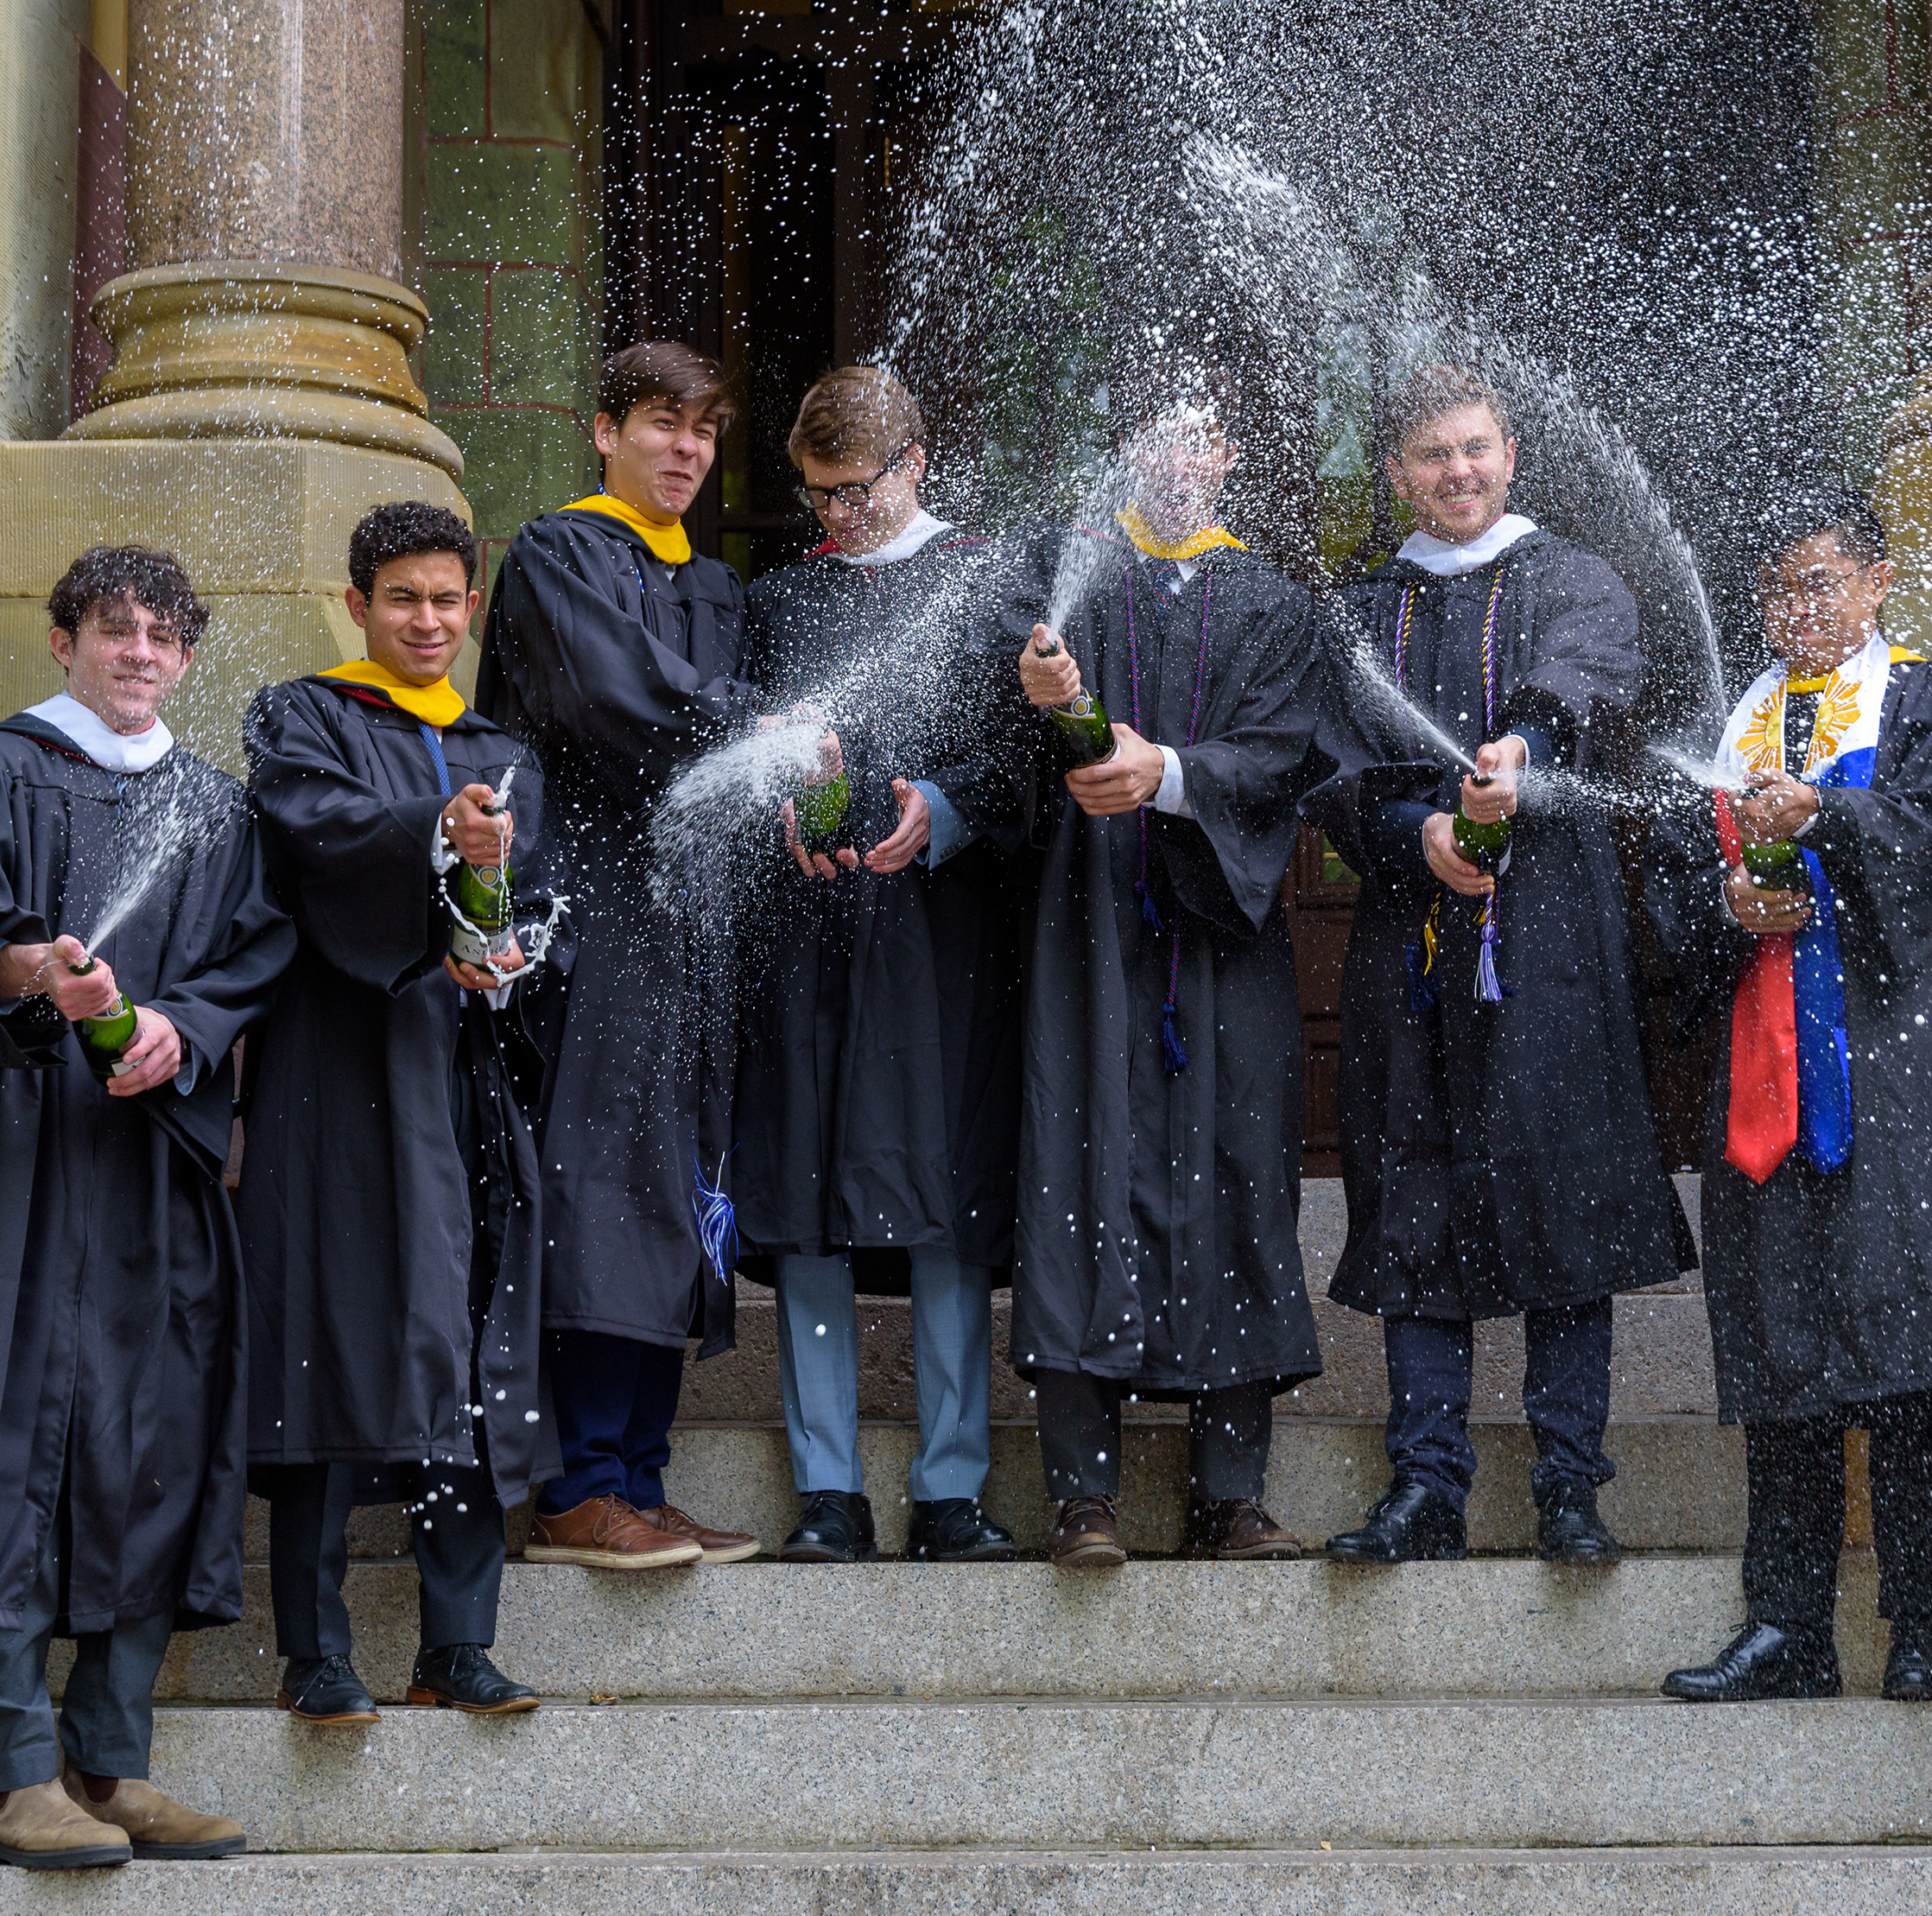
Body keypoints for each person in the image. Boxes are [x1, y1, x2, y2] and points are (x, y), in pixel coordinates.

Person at [0, 545, 293, 1868]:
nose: (139, 654)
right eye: (114, 630)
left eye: (165, 636)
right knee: (17, 1444)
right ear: (62, 640)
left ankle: (108, 1763)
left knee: (157, 1443)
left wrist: (183, 1023)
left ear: (188, 656)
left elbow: (252, 957)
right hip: (36, 1158)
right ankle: (12, 1777)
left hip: (162, 1168)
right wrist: (29, 965)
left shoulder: (215, 808)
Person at [1303, 365, 1694, 1567]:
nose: (1457, 473)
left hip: (1554, 943)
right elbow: (1330, 769)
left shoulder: (1574, 579)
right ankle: (1427, 1482)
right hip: (1412, 948)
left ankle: (1570, 1484)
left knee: (1564, 1195)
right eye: (1431, 456)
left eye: (1474, 449)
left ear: (1511, 452)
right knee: (1416, 1197)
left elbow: (1584, 676)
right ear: (1397, 474)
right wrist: (1412, 833)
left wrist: (1521, 746)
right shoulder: (1365, 609)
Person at [1640, 485, 1932, 1703]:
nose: (1798, 608)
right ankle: (1788, 1625)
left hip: (1892, 1073)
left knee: (1911, 1349)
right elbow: (1671, 905)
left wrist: (1830, 819)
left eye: (1822, 582)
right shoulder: (1732, 723)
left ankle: (1917, 1625)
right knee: (1779, 1348)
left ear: (1878, 582)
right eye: (1779, 587)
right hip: (1761, 1086)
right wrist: (1725, 910)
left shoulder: (1929, 701)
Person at [480, 342, 814, 1571]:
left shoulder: (712, 585)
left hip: (684, 925)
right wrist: (753, 729)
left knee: (677, 1193)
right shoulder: (559, 555)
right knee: (595, 1194)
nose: (685, 451)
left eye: (704, 433)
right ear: (602, 431)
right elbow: (617, 700)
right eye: (661, 426)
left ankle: (638, 1476)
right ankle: (573, 1486)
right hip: (590, 918)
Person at [238, 502, 554, 1725]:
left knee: (470, 1348)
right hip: (340, 1079)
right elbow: (311, 838)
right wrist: (434, 835)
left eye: (446, 600)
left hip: (464, 1082)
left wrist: (514, 952)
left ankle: (455, 1644)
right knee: (330, 1335)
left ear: (471, 609)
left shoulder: (501, 749)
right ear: (358, 604)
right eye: (403, 599)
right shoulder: (306, 716)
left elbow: (543, 901)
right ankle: (315, 1651)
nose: (427, 621)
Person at [1006, 365, 1326, 1566]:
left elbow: (1288, 754)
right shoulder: (1064, 582)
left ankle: (1229, 1494)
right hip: (1085, 933)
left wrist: (1175, 777)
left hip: (1220, 945)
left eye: (1199, 441)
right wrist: (1046, 702)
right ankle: (1082, 1497)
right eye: (1155, 439)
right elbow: (1004, 744)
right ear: (1126, 453)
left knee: (1237, 1176)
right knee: (1079, 1167)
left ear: (1228, 455)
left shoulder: (1276, 602)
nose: (1178, 461)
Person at [733, 366, 1033, 1564]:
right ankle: (826, 1490)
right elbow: (748, 739)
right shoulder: (779, 602)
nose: (837, 515)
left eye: (856, 490)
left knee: (945, 1195)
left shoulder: (988, 579)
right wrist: (784, 810)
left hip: (942, 937)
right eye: (818, 495)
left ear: (916, 463)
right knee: (808, 1197)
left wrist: (947, 815)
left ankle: (951, 1487)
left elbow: (1027, 758)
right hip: (809, 938)